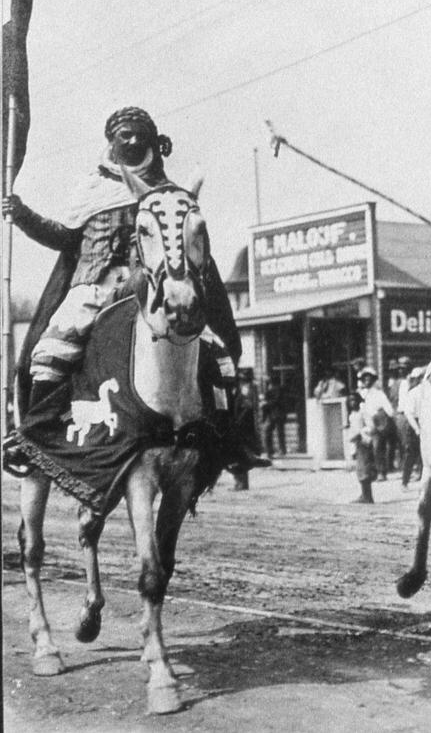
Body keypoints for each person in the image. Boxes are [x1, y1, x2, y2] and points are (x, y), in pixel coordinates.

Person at [0, 107, 267, 474]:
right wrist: (25, 215)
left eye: (140, 132)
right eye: (124, 133)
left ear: (153, 143)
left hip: (148, 288)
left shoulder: (166, 193)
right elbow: (64, 238)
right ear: (111, 141)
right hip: (93, 286)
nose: (132, 139)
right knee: (48, 352)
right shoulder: (88, 190)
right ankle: (35, 436)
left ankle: (228, 439)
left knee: (216, 351)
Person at [356, 368, 396, 481]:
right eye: (364, 379)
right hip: (365, 424)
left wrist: (384, 418)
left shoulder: (379, 394)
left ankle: (381, 472)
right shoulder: (361, 393)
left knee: (378, 448)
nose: (366, 381)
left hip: (376, 425)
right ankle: (369, 472)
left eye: (369, 379)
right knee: (365, 450)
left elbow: (389, 409)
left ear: (373, 380)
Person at [397, 366, 426, 489]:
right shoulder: (413, 393)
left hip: (427, 423)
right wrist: (416, 429)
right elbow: (409, 414)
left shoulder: (429, 392)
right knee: (411, 455)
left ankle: (429, 481)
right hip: (415, 424)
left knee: (428, 454)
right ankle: (405, 482)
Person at [343, 391, 375, 503]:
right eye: (350, 400)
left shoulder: (363, 412)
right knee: (360, 469)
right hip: (357, 443)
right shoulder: (352, 415)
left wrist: (361, 432)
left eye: (354, 400)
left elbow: (371, 426)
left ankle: (368, 496)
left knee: (365, 468)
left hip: (364, 442)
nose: (352, 403)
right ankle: (364, 494)